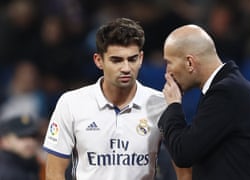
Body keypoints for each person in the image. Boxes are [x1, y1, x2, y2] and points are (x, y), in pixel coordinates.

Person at [43, 18, 191, 180]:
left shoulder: (161, 105)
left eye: (132, 59)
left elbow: (184, 171)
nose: (126, 68)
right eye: (116, 60)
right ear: (99, 61)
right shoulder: (71, 104)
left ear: (141, 58)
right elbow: (53, 173)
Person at [158, 24, 250, 179]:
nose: (167, 72)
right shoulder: (228, 88)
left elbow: (183, 153)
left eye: (169, 63)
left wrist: (173, 106)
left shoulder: (227, 93)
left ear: (190, 63)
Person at [0, 115, 40, 180]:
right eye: (21, 136)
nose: (30, 141)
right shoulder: (6, 173)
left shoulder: (32, 164)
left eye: (33, 135)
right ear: (5, 141)